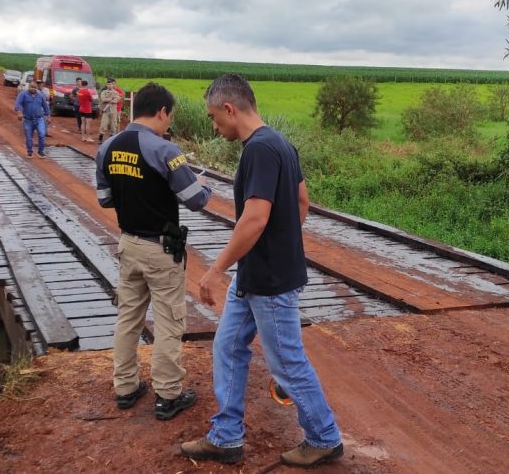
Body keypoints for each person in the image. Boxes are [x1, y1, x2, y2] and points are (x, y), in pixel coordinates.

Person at [181, 74, 343, 468]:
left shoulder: (258, 150)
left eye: (213, 117)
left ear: (229, 108)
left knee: (286, 361)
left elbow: (254, 219)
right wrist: (282, 243)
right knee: (228, 346)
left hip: (268, 281)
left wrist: (216, 269)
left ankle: (324, 437)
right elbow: (302, 200)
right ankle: (226, 437)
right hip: (255, 276)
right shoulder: (280, 144)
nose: (214, 126)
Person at [95, 82, 212, 420]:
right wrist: (203, 185)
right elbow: (195, 200)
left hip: (127, 245)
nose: (168, 124)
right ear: (162, 112)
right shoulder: (165, 150)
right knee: (168, 321)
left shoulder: (108, 148)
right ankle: (168, 393)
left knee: (128, 317)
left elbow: (104, 200)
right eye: (168, 118)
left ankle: (126, 387)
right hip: (161, 251)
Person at [14, 81, 51, 158]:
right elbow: (18, 104)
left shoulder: (40, 96)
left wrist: (48, 116)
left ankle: (40, 151)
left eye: (35, 87)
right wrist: (19, 112)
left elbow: (45, 106)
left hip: (39, 119)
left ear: (37, 88)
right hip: (28, 119)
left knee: (41, 134)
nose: (33, 89)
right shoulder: (23, 94)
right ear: (28, 87)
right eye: (31, 87)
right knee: (29, 136)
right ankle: (29, 151)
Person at [98, 78, 121, 142]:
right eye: (108, 84)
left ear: (113, 85)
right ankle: (100, 138)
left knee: (114, 125)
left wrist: (108, 99)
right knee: (103, 125)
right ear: (106, 85)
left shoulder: (116, 92)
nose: (109, 86)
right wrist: (111, 98)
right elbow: (103, 99)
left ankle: (112, 140)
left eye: (110, 84)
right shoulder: (104, 92)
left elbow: (116, 100)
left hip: (113, 111)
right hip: (106, 111)